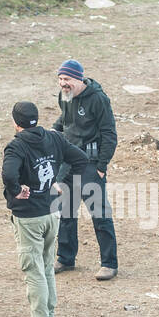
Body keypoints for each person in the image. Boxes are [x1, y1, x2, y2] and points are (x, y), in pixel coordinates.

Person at [3, 101, 94, 317]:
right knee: (45, 266)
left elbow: (8, 173)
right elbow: (81, 159)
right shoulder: (54, 138)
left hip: (29, 217)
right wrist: (58, 181)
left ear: (16, 122)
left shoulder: (16, 146)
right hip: (52, 213)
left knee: (33, 269)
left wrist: (16, 190)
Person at [51, 59, 119, 280]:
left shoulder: (98, 99)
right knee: (65, 212)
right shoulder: (65, 95)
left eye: (67, 79)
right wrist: (52, 133)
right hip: (68, 162)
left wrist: (101, 166)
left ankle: (109, 264)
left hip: (90, 164)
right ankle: (65, 258)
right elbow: (65, 119)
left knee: (100, 214)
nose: (63, 83)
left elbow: (109, 133)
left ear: (79, 79)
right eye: (60, 79)